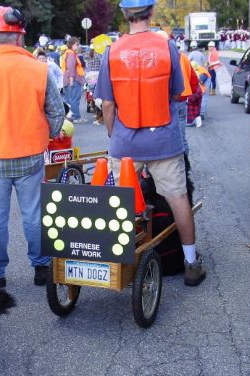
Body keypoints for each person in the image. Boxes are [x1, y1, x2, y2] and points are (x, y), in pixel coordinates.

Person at [96, 0, 206, 286]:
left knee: (119, 204)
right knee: (178, 198)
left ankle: (117, 263)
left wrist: (115, 135)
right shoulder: (167, 47)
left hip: (126, 141)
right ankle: (191, 263)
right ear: (152, 12)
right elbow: (174, 94)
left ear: (124, 15)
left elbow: (108, 104)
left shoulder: (112, 51)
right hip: (164, 141)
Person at [0, 6, 65, 288]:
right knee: (33, 214)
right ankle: (41, 268)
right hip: (30, 155)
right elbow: (57, 113)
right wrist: (47, 137)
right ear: (19, 37)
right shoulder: (39, 70)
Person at [61, 36, 86, 123]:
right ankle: (76, 117)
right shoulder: (71, 54)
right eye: (76, 44)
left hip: (67, 79)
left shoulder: (67, 53)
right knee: (75, 98)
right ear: (71, 44)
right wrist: (71, 80)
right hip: (73, 79)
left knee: (69, 99)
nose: (78, 46)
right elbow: (71, 68)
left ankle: (69, 116)